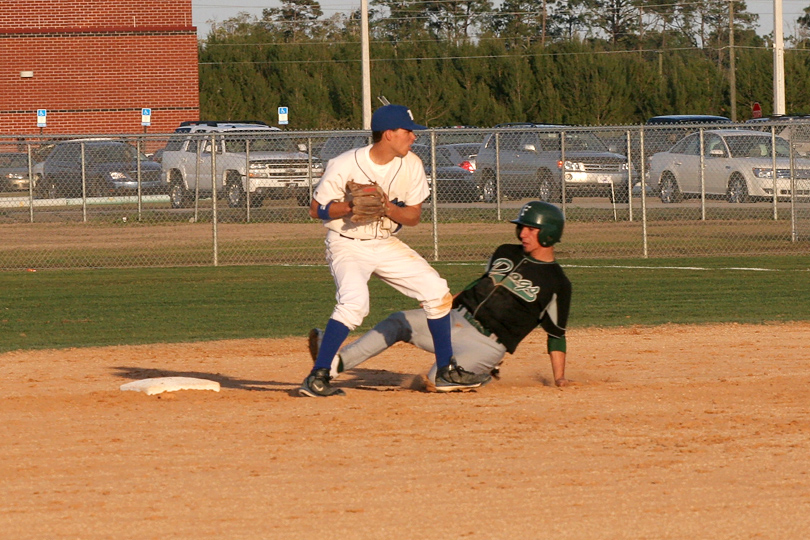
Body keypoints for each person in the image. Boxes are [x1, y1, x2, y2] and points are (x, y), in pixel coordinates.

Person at [299, 104, 492, 397]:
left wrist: (387, 207)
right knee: (354, 304)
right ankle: (318, 377)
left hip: (385, 243)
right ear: (389, 134)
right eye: (408, 132)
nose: (413, 137)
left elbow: (412, 217)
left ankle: (445, 372)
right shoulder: (345, 163)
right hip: (346, 242)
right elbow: (316, 210)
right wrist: (350, 206)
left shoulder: (412, 164)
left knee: (437, 293)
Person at [309, 200, 572, 389]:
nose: (522, 233)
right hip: (454, 318)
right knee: (398, 321)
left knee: (436, 380)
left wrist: (559, 378)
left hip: (487, 344)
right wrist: (447, 302)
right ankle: (333, 363)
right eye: (522, 227)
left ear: (549, 233)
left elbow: (556, 334)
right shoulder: (506, 251)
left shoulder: (557, 282)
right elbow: (479, 285)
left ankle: (484, 373)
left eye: (530, 228)